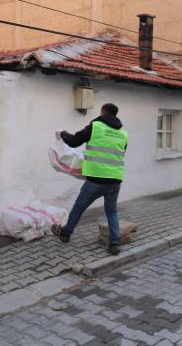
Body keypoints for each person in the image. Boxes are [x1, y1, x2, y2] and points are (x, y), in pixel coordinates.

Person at [51, 103, 128, 256]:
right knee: (111, 211)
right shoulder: (123, 134)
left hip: (96, 180)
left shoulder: (96, 126)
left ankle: (66, 234)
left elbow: (74, 141)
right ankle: (113, 244)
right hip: (115, 180)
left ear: (102, 112)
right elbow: (119, 154)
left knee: (79, 208)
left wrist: (63, 133)